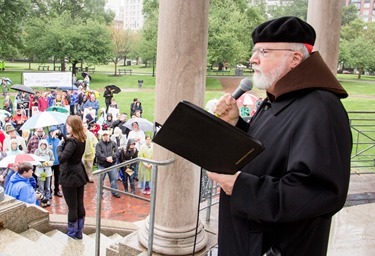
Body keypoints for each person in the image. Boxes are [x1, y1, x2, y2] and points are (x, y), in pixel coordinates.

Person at [207, 16, 352, 256]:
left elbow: (320, 191)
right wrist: (237, 123)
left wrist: (240, 187)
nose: (253, 59)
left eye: (263, 51)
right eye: (254, 51)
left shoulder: (321, 108)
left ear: (295, 59)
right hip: (247, 239)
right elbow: (268, 150)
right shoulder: (278, 98)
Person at [57, 115, 88, 239]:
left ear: (73, 126)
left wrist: (59, 146)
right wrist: (63, 138)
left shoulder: (72, 141)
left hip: (70, 176)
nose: (66, 127)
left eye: (67, 125)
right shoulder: (82, 138)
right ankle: (79, 232)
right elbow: (72, 147)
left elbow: (62, 158)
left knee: (72, 207)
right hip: (79, 174)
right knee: (79, 204)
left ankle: (71, 233)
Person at [95, 129, 121, 198]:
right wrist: (106, 158)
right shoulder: (98, 144)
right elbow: (98, 154)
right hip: (102, 165)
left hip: (112, 164)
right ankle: (100, 193)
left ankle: (114, 192)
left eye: (106, 135)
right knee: (101, 180)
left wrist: (112, 157)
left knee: (113, 179)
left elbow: (117, 152)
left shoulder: (113, 143)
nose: (105, 136)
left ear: (109, 135)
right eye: (104, 135)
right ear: (102, 136)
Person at [34, 139, 54, 207]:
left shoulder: (49, 152)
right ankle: (42, 200)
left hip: (48, 172)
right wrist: (41, 164)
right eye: (42, 144)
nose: (43, 146)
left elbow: (52, 160)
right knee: (41, 187)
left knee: (47, 187)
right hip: (40, 172)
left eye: (44, 145)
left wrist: (48, 163)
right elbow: (35, 161)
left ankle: (47, 199)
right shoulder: (37, 152)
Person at [47, 127, 63, 197]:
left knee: (57, 177)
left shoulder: (58, 140)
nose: (52, 133)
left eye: (54, 132)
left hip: (57, 162)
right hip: (50, 162)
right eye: (51, 132)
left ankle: (57, 190)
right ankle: (49, 191)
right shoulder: (46, 140)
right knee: (49, 177)